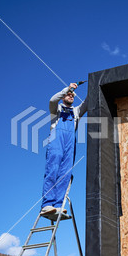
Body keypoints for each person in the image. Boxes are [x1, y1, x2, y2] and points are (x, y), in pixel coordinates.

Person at [40, 83, 88, 215]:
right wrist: (68, 89)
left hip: (70, 143)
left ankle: (58, 204)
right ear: (63, 96)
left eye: (72, 95)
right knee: (53, 169)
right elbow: (52, 100)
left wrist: (94, 84)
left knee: (65, 173)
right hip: (56, 140)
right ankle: (47, 204)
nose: (71, 96)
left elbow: (87, 103)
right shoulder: (56, 109)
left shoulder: (76, 111)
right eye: (68, 94)